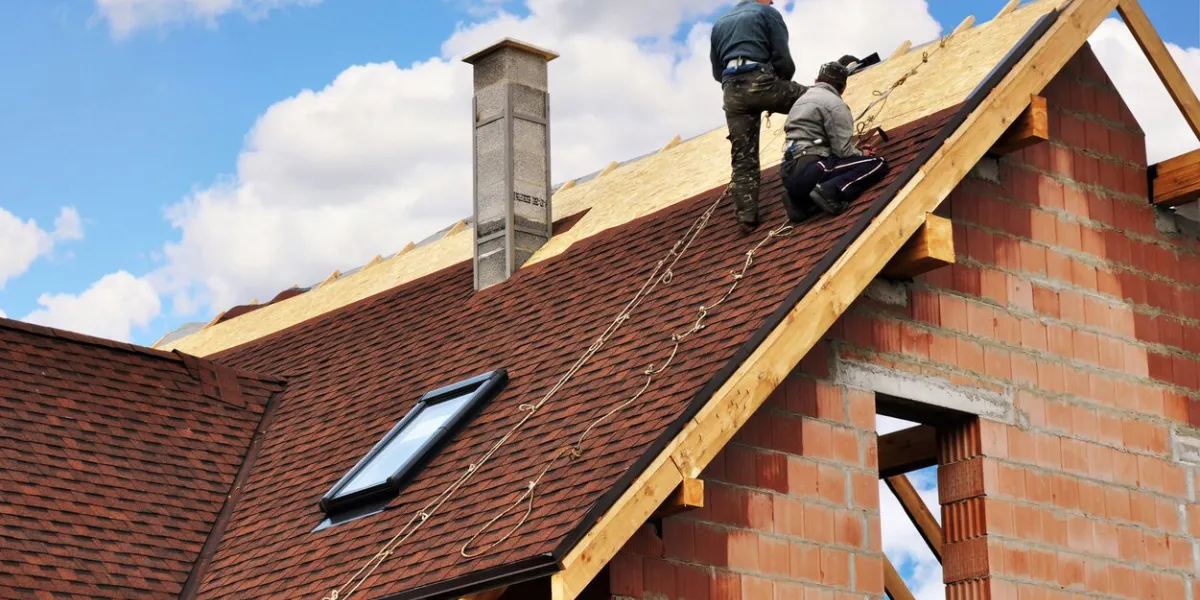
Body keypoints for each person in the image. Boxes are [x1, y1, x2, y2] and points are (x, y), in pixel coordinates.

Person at [711, 0, 807, 233]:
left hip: (731, 90)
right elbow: (783, 58)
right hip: (759, 79)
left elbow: (716, 70)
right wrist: (775, 89)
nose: (773, 1)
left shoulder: (720, 24)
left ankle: (746, 217)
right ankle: (830, 158)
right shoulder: (766, 13)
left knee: (743, 156)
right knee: (815, 98)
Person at [780, 59, 889, 222]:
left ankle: (800, 202)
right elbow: (843, 151)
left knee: (833, 167)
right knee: (877, 163)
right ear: (843, 87)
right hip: (812, 168)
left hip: (788, 174)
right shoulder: (835, 105)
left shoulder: (799, 102)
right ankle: (831, 191)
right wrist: (862, 153)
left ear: (816, 81)